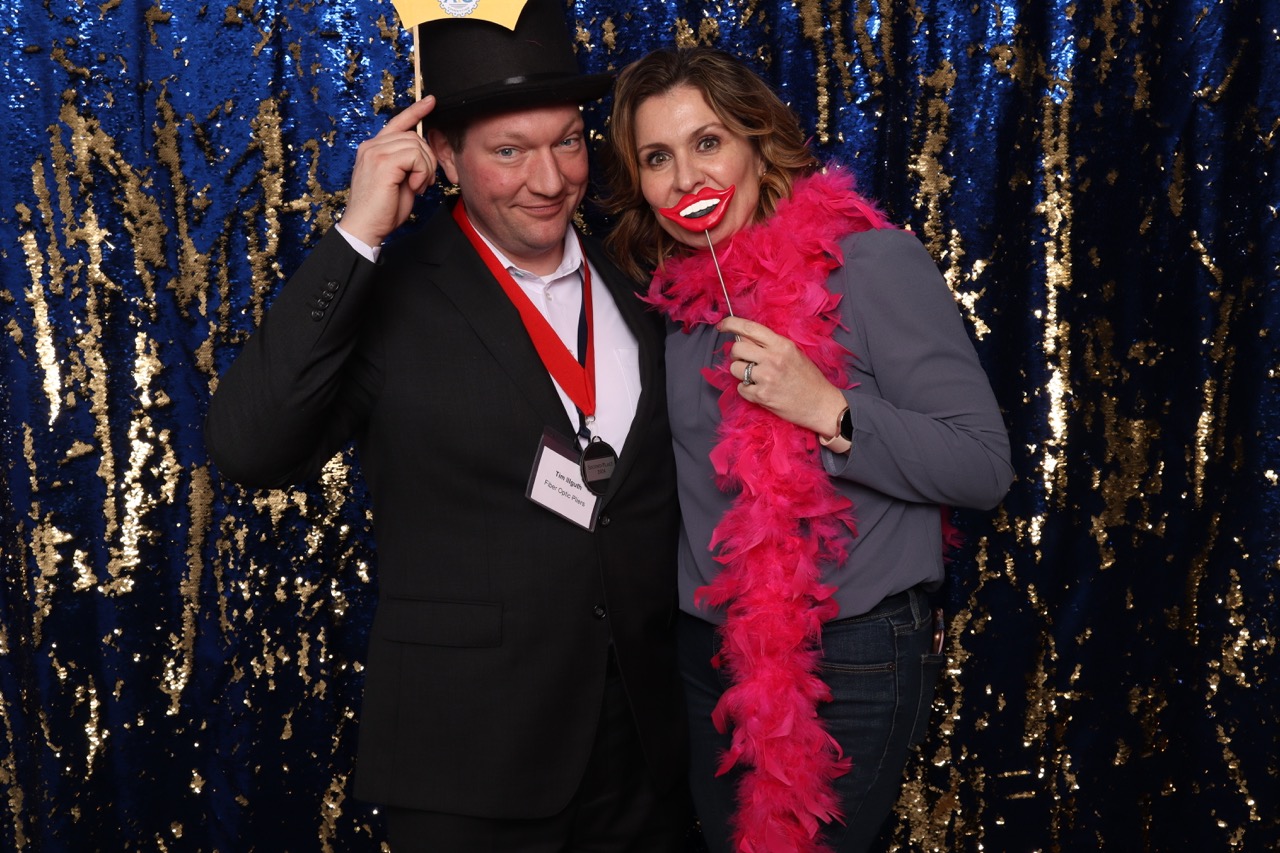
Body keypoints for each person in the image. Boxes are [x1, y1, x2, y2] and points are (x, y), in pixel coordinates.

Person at [204, 3, 688, 849]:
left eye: (566, 142)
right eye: (509, 151)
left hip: (644, 752)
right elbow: (248, 448)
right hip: (472, 760)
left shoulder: (642, 276)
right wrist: (358, 234)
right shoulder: (391, 295)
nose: (549, 180)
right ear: (443, 156)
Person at [601, 47, 1014, 853]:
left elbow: (982, 464)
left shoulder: (868, 265)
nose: (686, 177)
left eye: (708, 142)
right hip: (708, 659)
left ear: (758, 141)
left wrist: (826, 407)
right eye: (658, 158)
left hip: (845, 657)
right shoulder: (674, 301)